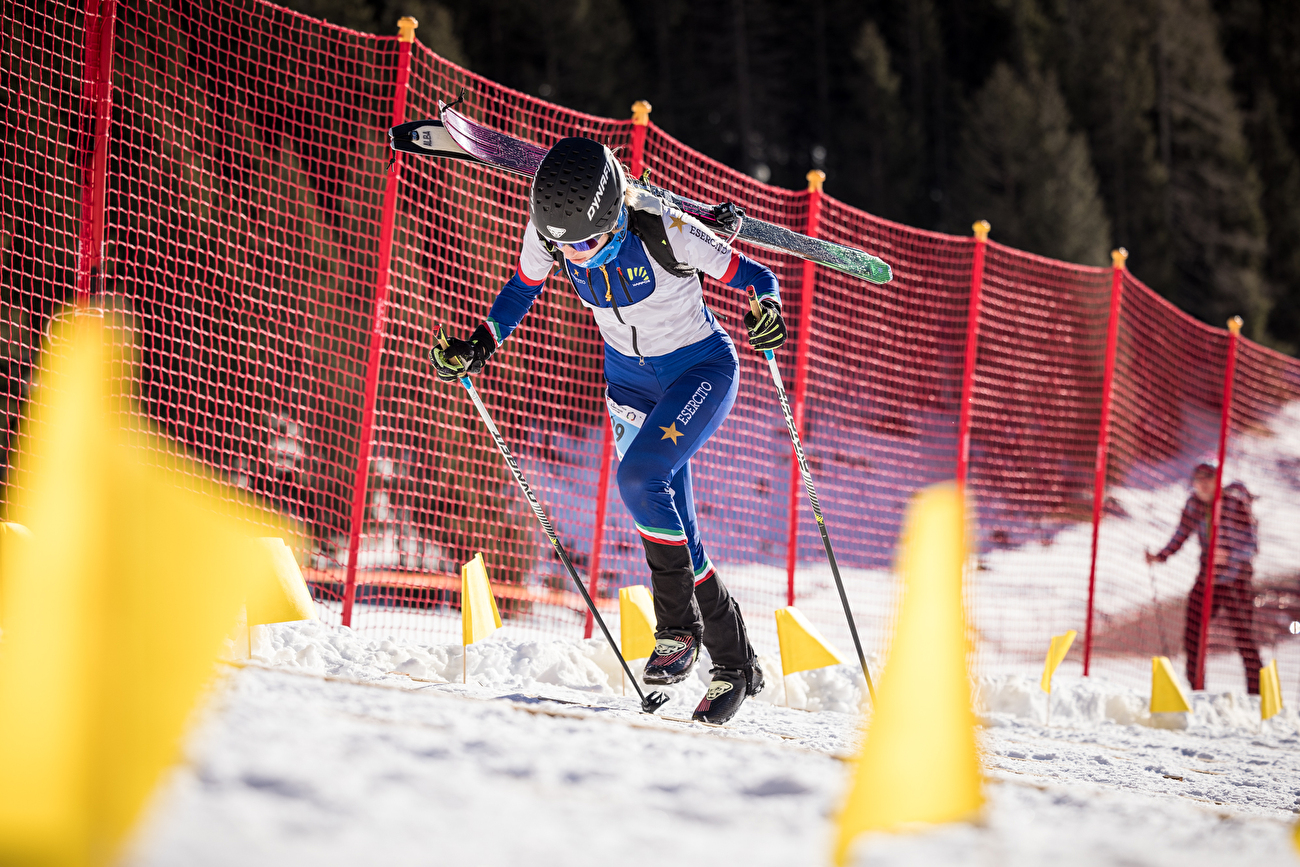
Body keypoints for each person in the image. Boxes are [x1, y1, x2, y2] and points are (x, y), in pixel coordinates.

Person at [431, 137, 786, 723]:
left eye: (593, 242)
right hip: (627, 386)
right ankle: (736, 663)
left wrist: (764, 311)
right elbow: (523, 287)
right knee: (677, 528)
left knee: (639, 476)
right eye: (570, 248)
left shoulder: (664, 227)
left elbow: (756, 275)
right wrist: (480, 342)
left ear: (616, 213)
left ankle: (676, 630)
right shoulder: (553, 231)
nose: (582, 256)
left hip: (697, 369)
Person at [1146, 463, 1261, 694]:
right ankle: (1197, 690)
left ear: (1217, 482)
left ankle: (1256, 693)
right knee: (1193, 634)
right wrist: (1162, 556)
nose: (1203, 485)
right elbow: (1182, 533)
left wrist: (1229, 555)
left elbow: (1252, 545)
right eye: (1199, 481)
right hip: (1207, 576)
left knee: (1244, 637)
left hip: (1236, 578)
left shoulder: (1235, 504)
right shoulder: (1193, 505)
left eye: (1208, 480)